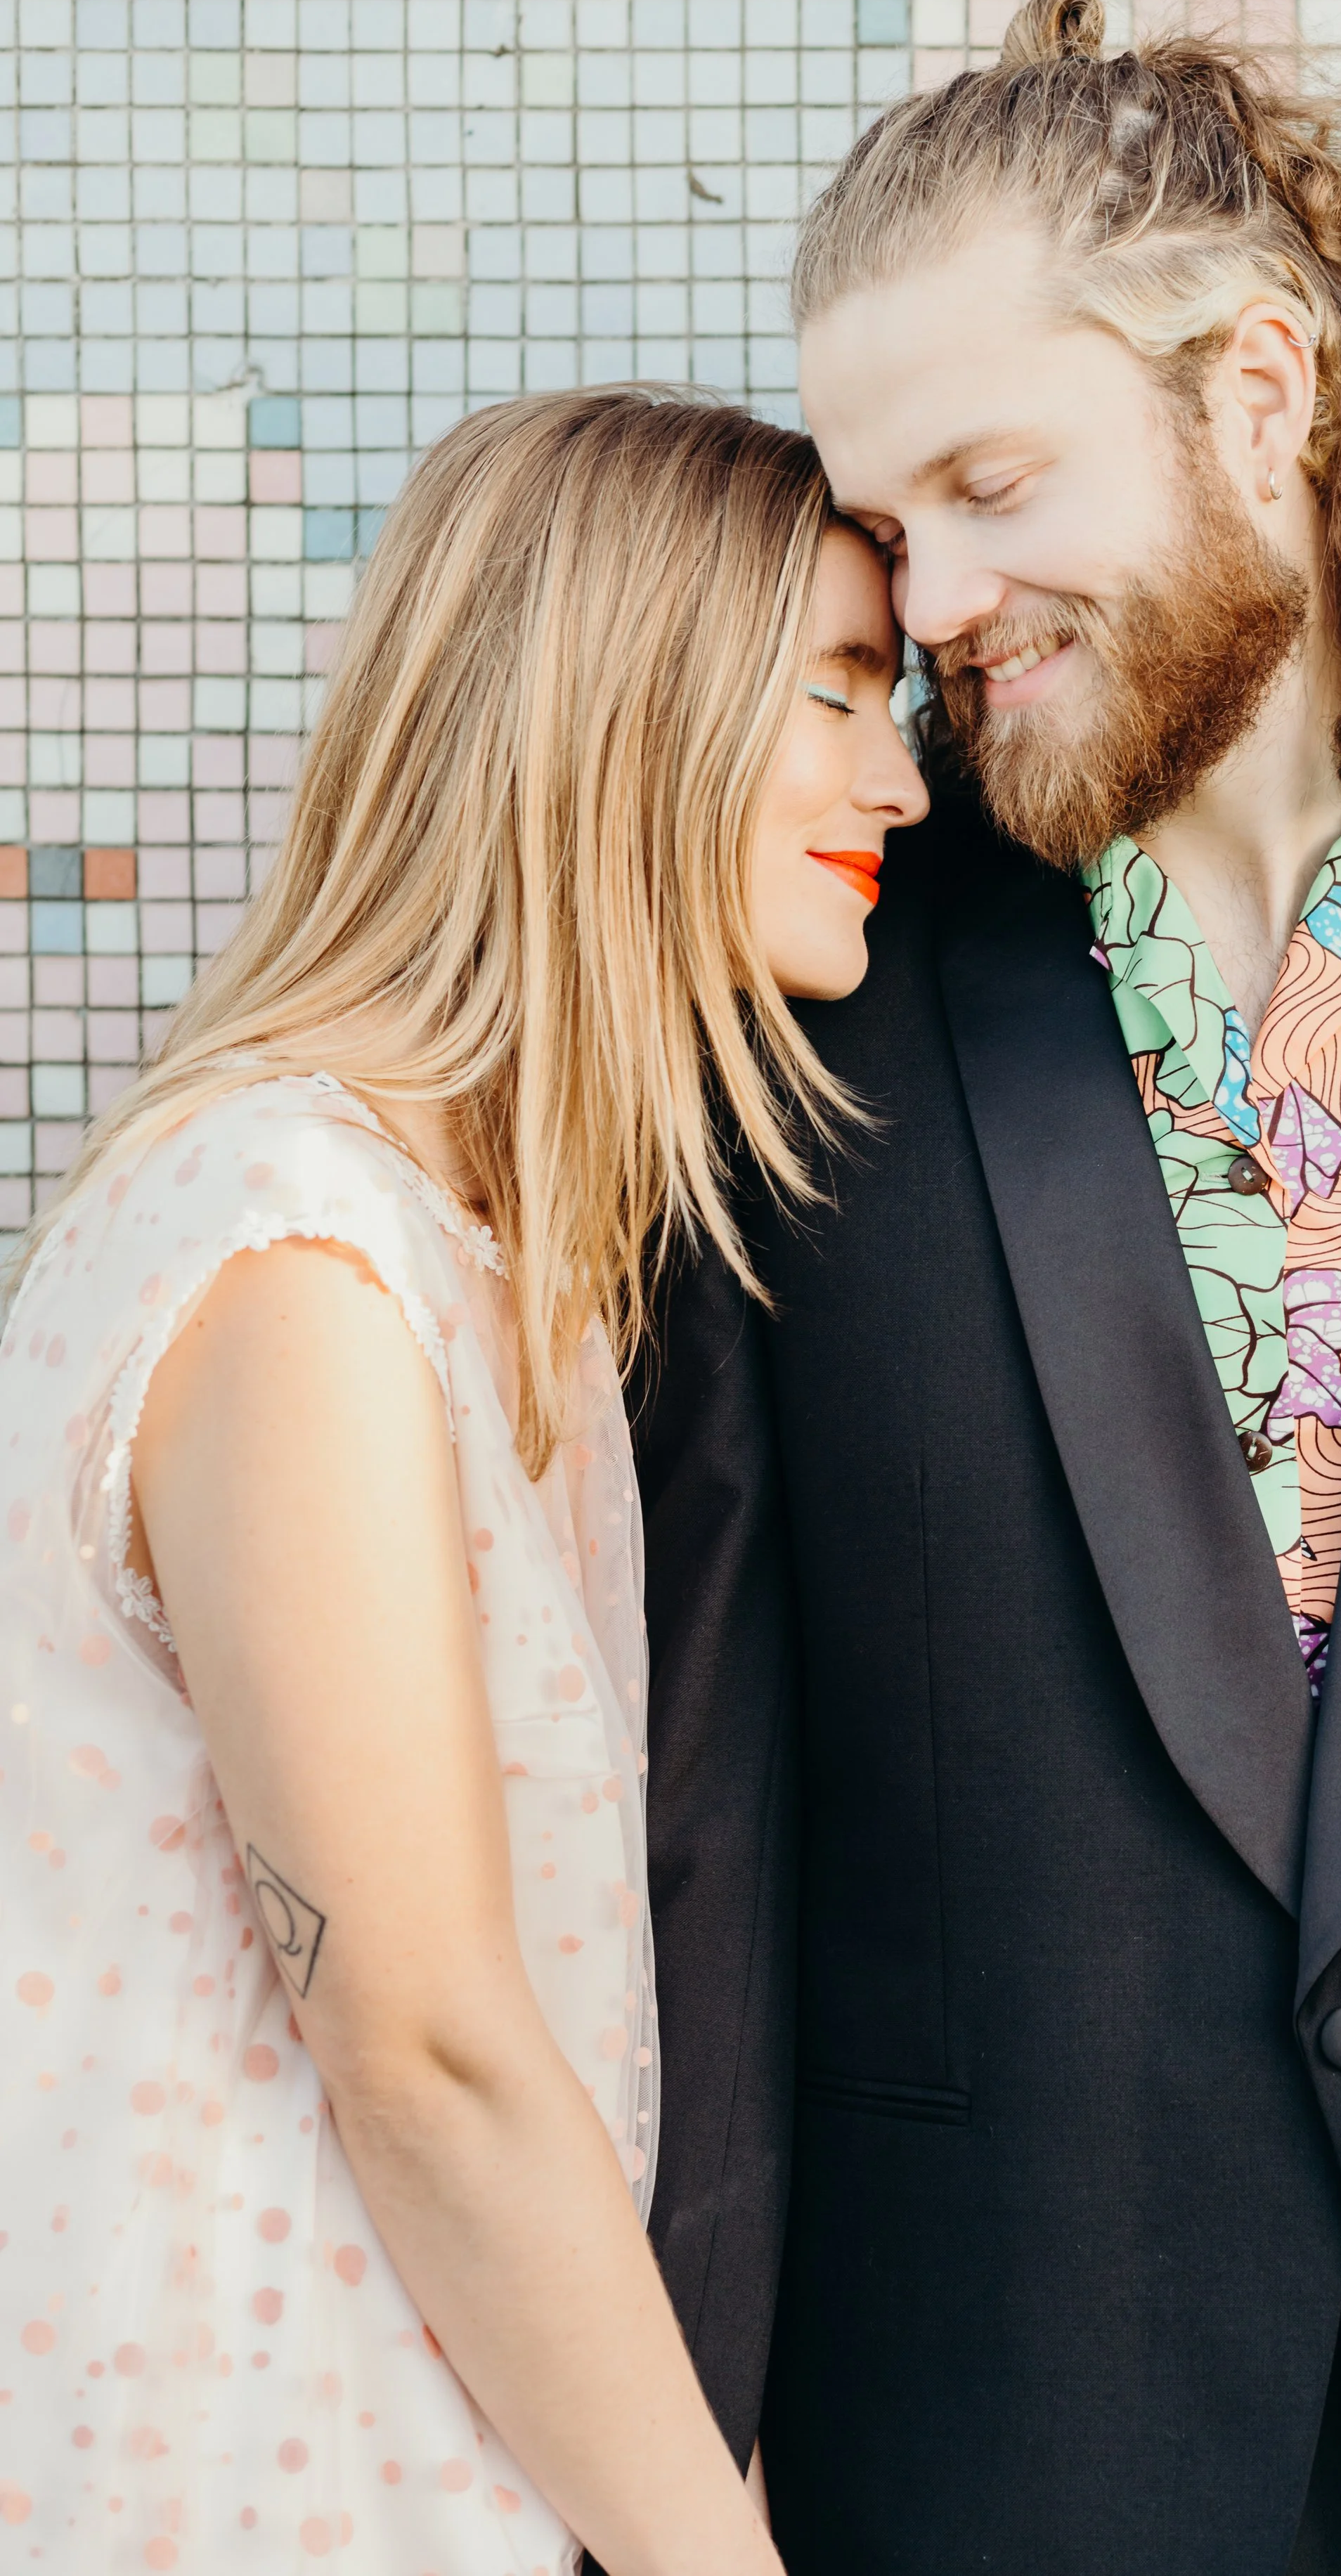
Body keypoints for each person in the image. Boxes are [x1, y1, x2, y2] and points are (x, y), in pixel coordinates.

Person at [635, 0, 1341, 2576]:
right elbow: (694, 1830)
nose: (930, 599)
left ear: (1262, 388)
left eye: (987, 482)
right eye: (882, 524)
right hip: (1005, 2445)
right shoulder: (794, 1021)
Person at [0, 387, 925, 2571]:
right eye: (835, 694)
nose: (899, 779)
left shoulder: (488, 1262)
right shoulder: (301, 1248)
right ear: (613, 714)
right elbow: (418, 2036)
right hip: (239, 2484)